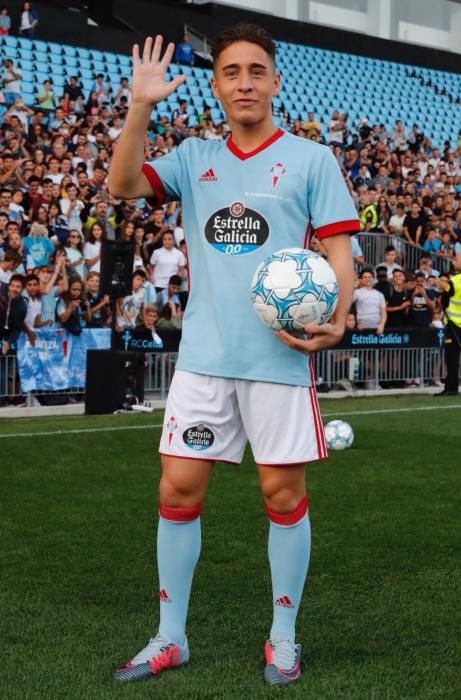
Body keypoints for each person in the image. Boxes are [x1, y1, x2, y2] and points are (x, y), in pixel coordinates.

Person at [108, 26, 359, 686]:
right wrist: (140, 106)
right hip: (203, 359)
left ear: (275, 81)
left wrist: (337, 316)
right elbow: (123, 183)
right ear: (216, 85)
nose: (244, 81)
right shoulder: (193, 157)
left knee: (281, 496)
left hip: (279, 360)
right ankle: (169, 637)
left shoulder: (311, 161)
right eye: (230, 72)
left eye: (256, 70)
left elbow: (338, 252)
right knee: (177, 489)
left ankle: (282, 636)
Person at [436, 251, 461, 396]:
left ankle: (451, 388)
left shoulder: (453, 281)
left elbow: (444, 301)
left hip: (455, 325)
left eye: (457, 259)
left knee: (452, 357)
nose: (454, 262)